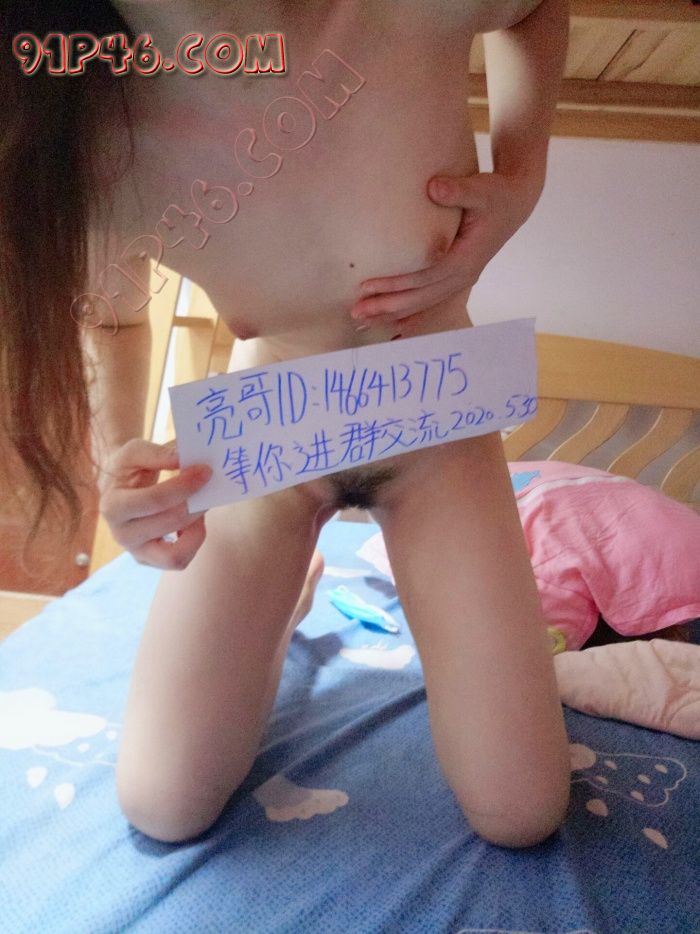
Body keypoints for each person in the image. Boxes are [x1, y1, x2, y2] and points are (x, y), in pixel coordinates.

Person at [0, 0, 571, 847]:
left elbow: (537, 6)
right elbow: (112, 315)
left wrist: (523, 173)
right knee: (162, 803)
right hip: (265, 440)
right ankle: (287, 597)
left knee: (521, 812)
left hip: (434, 427)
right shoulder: (78, 115)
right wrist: (119, 458)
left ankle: (285, 591)